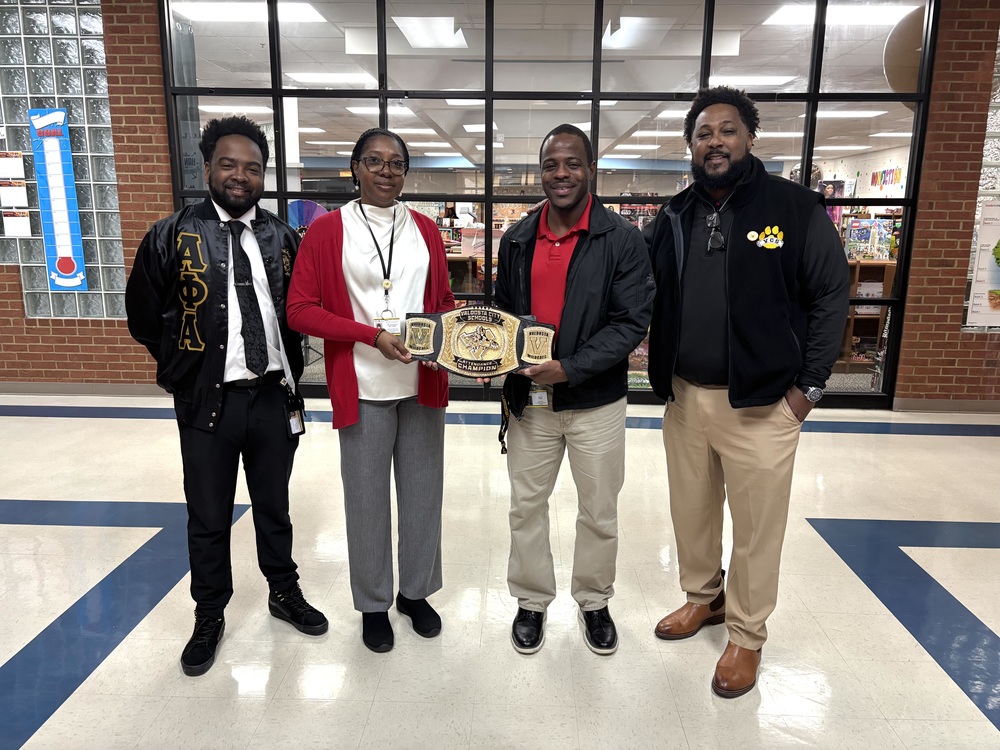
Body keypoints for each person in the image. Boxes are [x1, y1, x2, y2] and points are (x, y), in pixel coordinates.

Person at [645, 87, 849, 697]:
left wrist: (807, 390)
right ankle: (701, 599)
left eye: (727, 130)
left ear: (749, 138)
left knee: (758, 527)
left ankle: (746, 634)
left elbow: (830, 297)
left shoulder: (793, 208)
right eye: (704, 133)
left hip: (763, 404)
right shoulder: (675, 215)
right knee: (692, 512)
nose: (715, 142)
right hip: (685, 397)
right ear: (691, 144)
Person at [125, 116, 328, 677]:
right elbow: (144, 318)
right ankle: (209, 614)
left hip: (272, 397)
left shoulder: (284, 238)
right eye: (229, 164)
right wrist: (184, 371)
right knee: (209, 515)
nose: (240, 176)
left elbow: (300, 311)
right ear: (208, 167)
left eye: (252, 168)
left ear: (264, 175)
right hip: (205, 402)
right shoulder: (170, 235)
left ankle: (283, 593)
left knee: (274, 508)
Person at [286, 128, 453, 653]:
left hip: (419, 382)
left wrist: (455, 335)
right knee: (365, 501)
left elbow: (444, 299)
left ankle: (416, 593)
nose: (387, 171)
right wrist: (371, 336)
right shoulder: (326, 231)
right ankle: (374, 603)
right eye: (375, 161)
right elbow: (300, 309)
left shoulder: (425, 229)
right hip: (360, 384)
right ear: (354, 168)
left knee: (423, 496)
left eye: (397, 163)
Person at [494, 124, 655, 656]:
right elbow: (503, 318)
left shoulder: (622, 240)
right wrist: (490, 354)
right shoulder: (516, 239)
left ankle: (593, 601)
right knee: (526, 506)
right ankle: (532, 602)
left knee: (599, 509)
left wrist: (571, 368)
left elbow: (631, 322)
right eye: (550, 165)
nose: (560, 174)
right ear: (539, 172)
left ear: (591, 170)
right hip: (530, 407)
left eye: (572, 164)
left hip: (595, 404)